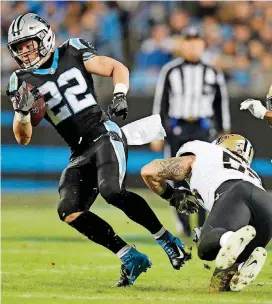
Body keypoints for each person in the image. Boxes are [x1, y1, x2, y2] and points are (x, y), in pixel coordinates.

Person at [6, 13, 191, 287]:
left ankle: (167, 239)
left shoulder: (73, 50)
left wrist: (119, 94)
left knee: (112, 191)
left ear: (44, 36)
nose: (24, 51)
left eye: (28, 43)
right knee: (68, 209)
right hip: (78, 150)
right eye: (18, 47)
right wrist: (22, 114)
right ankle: (129, 257)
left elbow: (116, 67)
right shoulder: (21, 79)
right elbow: (22, 138)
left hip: (104, 132)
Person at [141, 134, 272, 292]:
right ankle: (244, 261)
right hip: (266, 206)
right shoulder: (251, 173)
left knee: (204, 248)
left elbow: (149, 171)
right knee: (219, 286)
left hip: (237, 193)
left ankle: (231, 240)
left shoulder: (205, 151)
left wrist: (171, 195)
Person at [151, 26, 231, 237]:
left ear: (203, 45)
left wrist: (225, 132)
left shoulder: (213, 72)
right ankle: (184, 222)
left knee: (206, 175)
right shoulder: (171, 70)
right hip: (178, 127)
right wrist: (158, 133)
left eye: (197, 41)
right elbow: (162, 102)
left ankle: (204, 223)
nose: (193, 46)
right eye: (188, 41)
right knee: (175, 175)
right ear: (182, 44)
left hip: (204, 128)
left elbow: (220, 103)